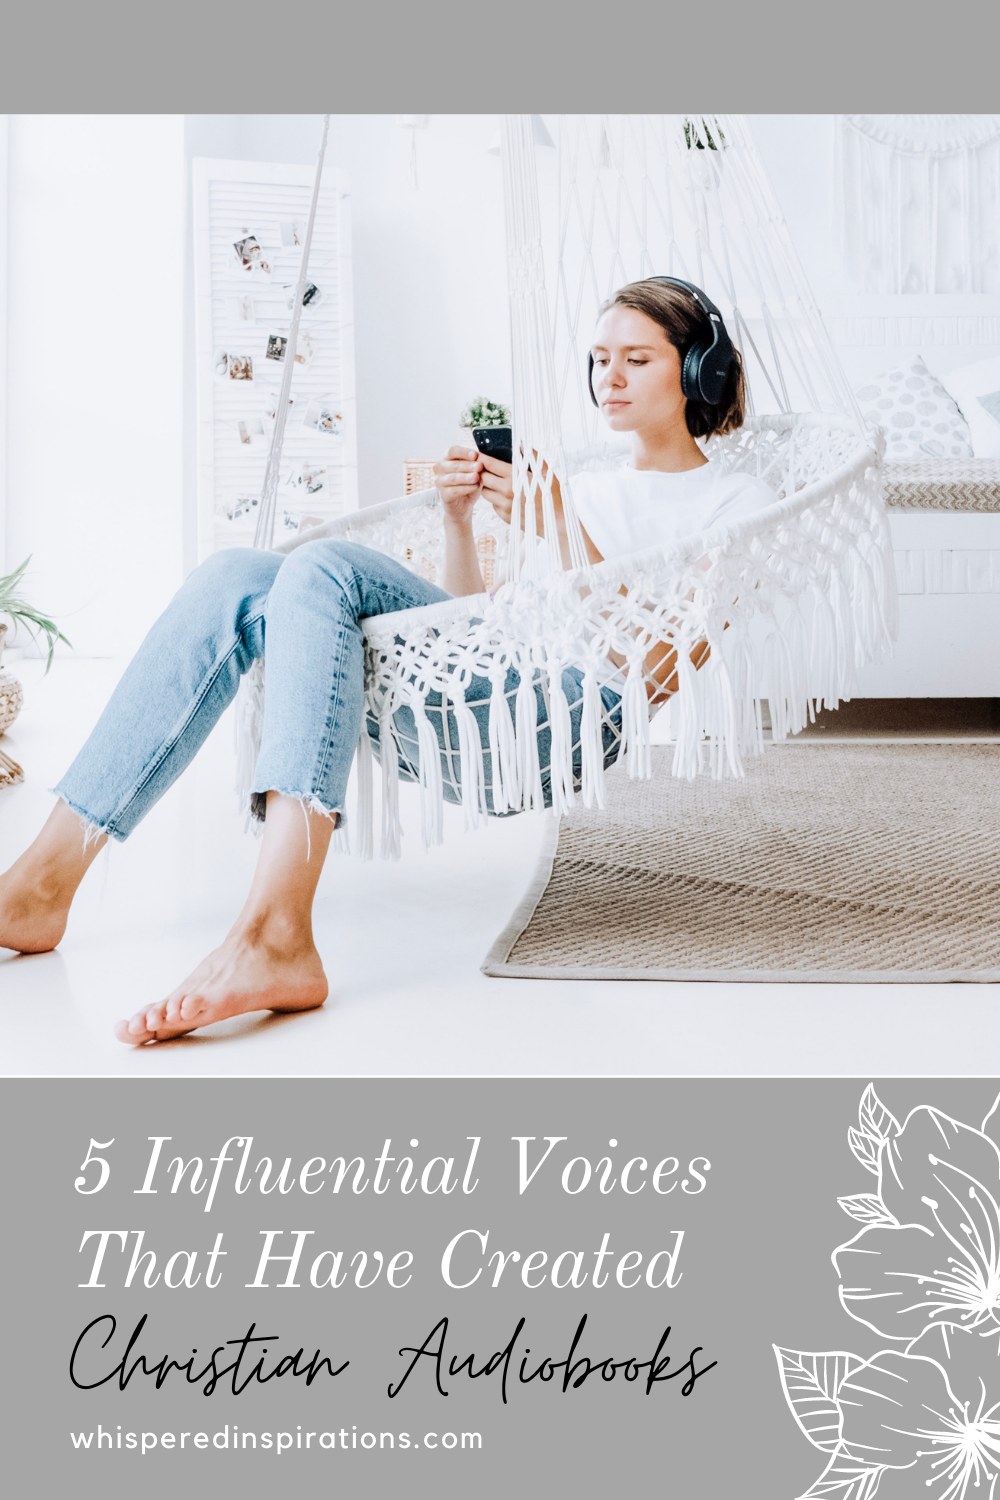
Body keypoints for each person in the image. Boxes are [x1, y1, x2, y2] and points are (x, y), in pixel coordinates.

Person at [0, 278, 776, 1045]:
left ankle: (276, 932)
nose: (608, 378)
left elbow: (660, 664)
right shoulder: (585, 487)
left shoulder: (735, 505)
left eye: (636, 359)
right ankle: (41, 882)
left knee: (325, 566)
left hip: (556, 720)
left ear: (699, 369)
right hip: (487, 682)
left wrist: (560, 524)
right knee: (232, 577)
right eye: (599, 357)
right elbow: (474, 626)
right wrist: (459, 525)